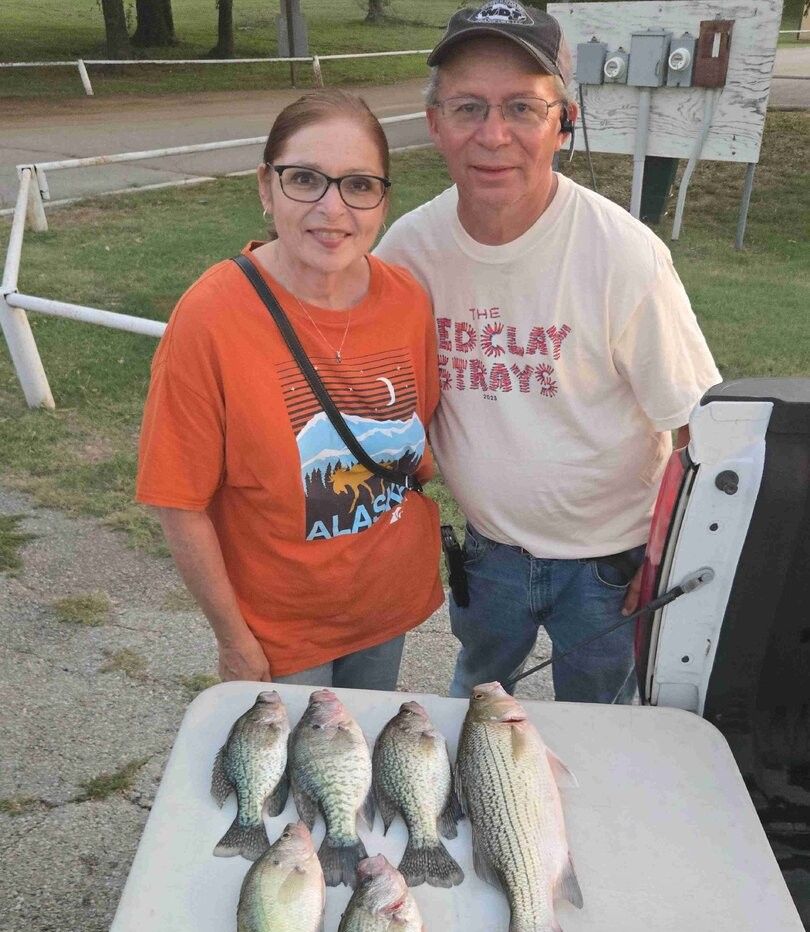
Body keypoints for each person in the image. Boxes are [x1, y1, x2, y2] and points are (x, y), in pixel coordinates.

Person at [376, 2, 721, 703]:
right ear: (435, 124)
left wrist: (663, 559)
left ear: (564, 123)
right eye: (468, 107)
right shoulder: (407, 252)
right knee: (476, 699)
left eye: (523, 109)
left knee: (601, 720)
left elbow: (697, 428)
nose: (493, 135)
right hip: (489, 550)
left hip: (607, 565)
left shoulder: (625, 256)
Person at [136, 90, 442, 690]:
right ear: (265, 187)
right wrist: (233, 640)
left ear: (382, 201)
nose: (332, 209)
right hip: (281, 633)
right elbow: (179, 500)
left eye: (358, 185)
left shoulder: (407, 300)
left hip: (388, 605)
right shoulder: (212, 316)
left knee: (359, 769)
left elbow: (417, 441)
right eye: (305, 179)